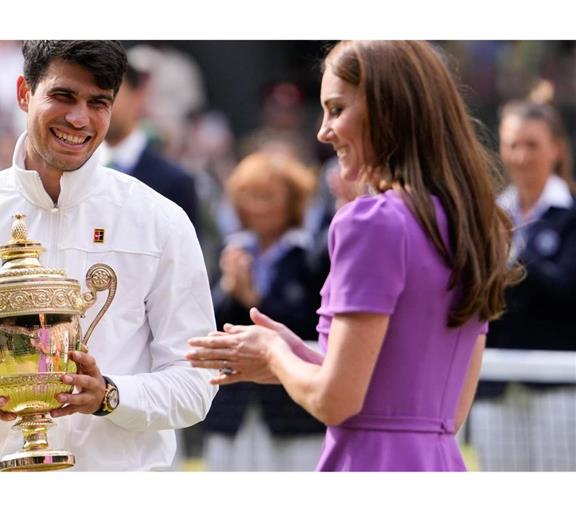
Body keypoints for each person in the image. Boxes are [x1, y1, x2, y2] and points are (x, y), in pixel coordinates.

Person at [187, 40, 519, 471]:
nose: (323, 131)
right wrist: (297, 358)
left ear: (389, 110)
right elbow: (438, 410)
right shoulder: (473, 223)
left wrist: (273, 352)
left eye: (337, 109)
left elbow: (335, 401)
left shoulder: (370, 221)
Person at [0, 40, 217, 471]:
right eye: (63, 96)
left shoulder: (159, 220)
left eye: (98, 102)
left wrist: (109, 395)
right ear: (24, 93)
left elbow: (196, 381)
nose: (78, 118)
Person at [202, 151, 327, 471]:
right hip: (234, 404)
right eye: (250, 197)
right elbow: (207, 322)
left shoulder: (310, 255)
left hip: (292, 407)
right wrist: (230, 290)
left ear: (292, 201)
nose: (258, 206)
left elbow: (313, 323)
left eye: (268, 197)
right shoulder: (230, 250)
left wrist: (254, 299)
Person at [471, 95, 576, 471]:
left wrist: (514, 255)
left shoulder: (571, 217)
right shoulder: (490, 216)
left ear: (557, 150)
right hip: (495, 386)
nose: (521, 155)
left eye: (532, 144)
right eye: (513, 144)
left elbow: (567, 291)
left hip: (558, 390)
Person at [103, 62, 199, 230]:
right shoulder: (72, 170)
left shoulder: (175, 181)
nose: (101, 103)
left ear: (138, 95)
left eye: (111, 93)